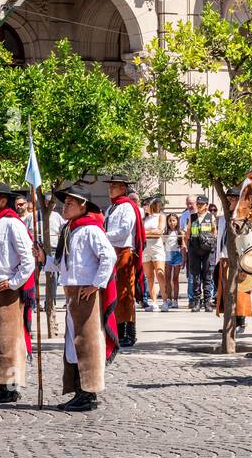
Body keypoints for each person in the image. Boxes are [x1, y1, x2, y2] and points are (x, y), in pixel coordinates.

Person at [39, 185, 117, 411]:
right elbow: (64, 264)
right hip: (72, 291)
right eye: (65, 203)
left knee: (88, 342)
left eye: (71, 203)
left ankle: (89, 392)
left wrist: (96, 284)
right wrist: (45, 258)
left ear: (83, 205)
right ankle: (79, 389)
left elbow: (108, 257)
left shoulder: (91, 230)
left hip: (85, 291)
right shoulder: (69, 230)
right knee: (74, 343)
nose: (66, 207)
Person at [0, 181, 35, 405]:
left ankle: (11, 387)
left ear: (2, 199)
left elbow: (27, 259)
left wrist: (13, 282)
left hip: (6, 289)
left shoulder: (13, 223)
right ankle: (0, 383)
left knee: (9, 341)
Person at [105, 175, 145, 348]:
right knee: (115, 292)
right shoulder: (111, 208)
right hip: (112, 252)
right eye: (110, 186)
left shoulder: (127, 208)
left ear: (123, 189)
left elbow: (124, 231)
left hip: (124, 253)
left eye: (114, 186)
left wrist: (103, 236)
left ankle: (129, 332)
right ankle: (118, 330)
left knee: (125, 294)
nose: (110, 189)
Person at [215, 188, 252, 336]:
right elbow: (220, 238)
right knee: (226, 292)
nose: (230, 202)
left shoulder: (243, 217)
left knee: (240, 291)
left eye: (233, 199)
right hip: (224, 257)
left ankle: (240, 321)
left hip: (238, 257)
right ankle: (229, 321)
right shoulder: (223, 217)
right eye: (228, 199)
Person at [184, 196, 216, 311]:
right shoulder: (192, 217)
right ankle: (197, 302)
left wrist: (211, 243)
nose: (199, 206)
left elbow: (214, 232)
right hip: (194, 249)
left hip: (207, 250)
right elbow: (187, 233)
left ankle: (207, 302)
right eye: (198, 204)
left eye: (201, 204)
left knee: (207, 276)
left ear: (207, 205)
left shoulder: (210, 217)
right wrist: (188, 247)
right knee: (196, 276)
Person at [142, 196, 168, 312]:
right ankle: (153, 302)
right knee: (149, 276)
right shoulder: (144, 218)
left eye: (146, 204)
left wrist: (146, 233)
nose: (144, 207)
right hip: (145, 248)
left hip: (157, 247)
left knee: (160, 274)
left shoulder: (161, 216)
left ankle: (165, 301)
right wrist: (150, 233)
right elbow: (140, 232)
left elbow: (159, 232)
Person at [165, 212, 183, 309]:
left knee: (175, 279)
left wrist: (184, 259)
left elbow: (183, 246)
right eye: (170, 221)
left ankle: (175, 300)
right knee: (167, 278)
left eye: (174, 220)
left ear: (177, 221)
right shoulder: (165, 233)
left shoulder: (179, 233)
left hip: (177, 255)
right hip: (167, 255)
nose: (172, 223)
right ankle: (168, 299)